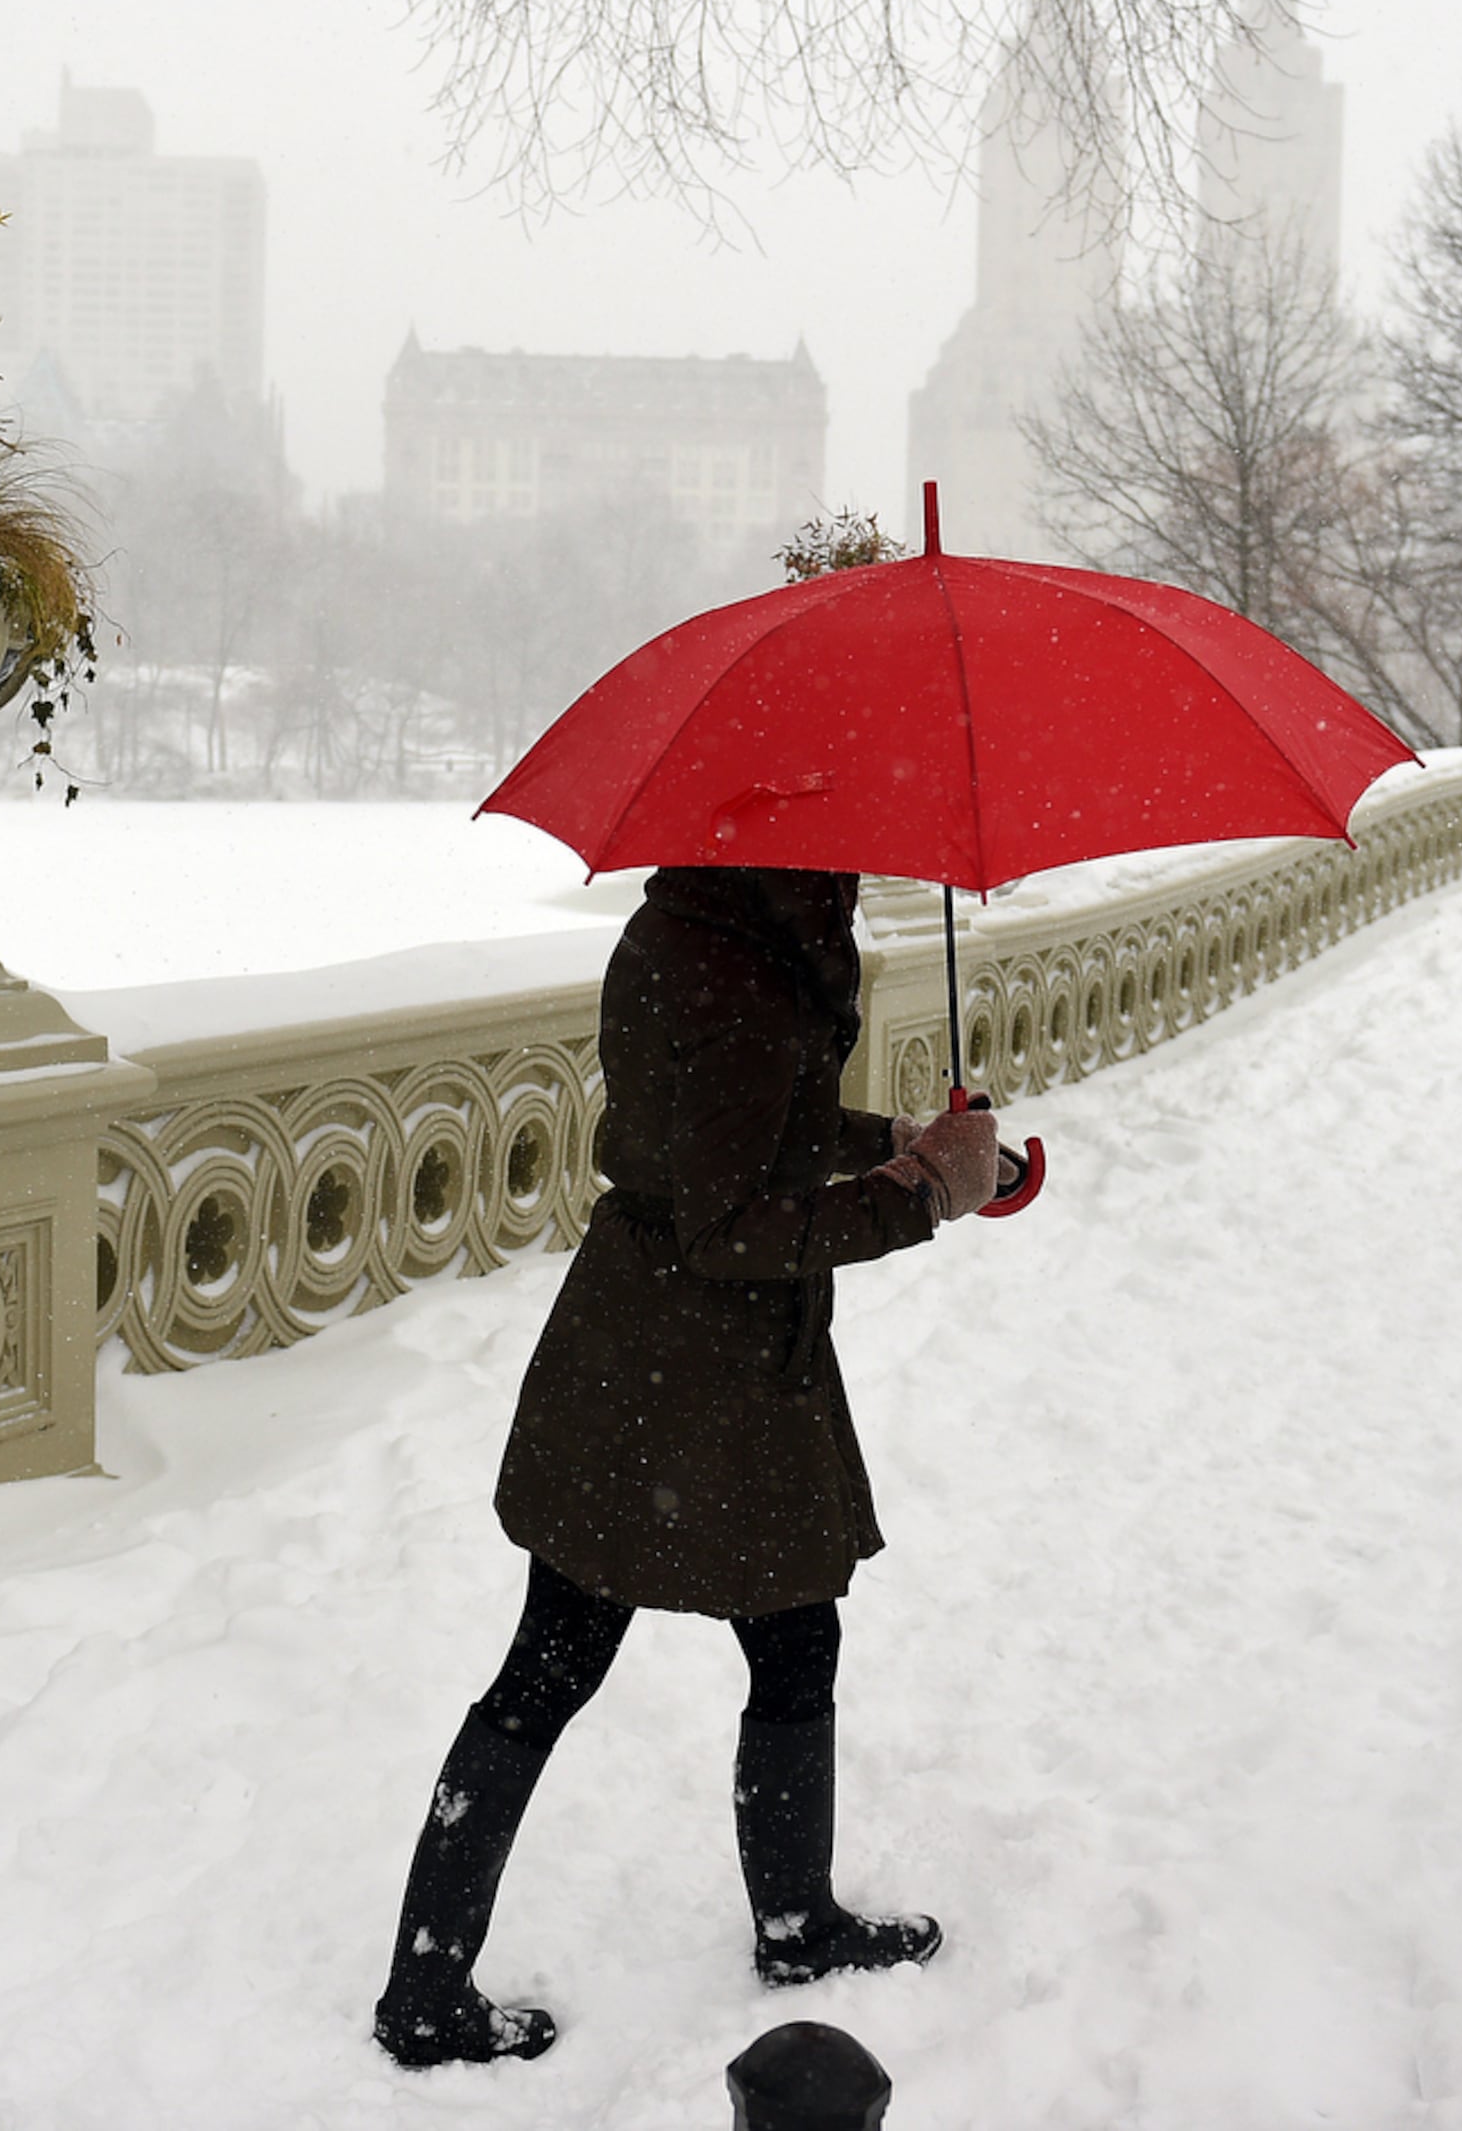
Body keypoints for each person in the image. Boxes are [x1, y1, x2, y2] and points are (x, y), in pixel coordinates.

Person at [370, 865, 1009, 2069]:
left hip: (637, 1355)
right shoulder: (751, 976)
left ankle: (436, 1977)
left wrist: (901, 1143)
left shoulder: (693, 925)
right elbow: (733, 1225)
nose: (863, 872)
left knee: (591, 1655)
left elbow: (747, 1126)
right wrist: (921, 1198)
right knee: (673, 1651)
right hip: (698, 1380)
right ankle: (786, 1927)